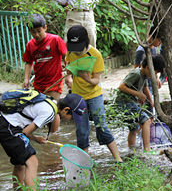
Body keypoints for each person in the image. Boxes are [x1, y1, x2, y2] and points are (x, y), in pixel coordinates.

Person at [0, 93, 86, 191]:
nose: (71, 120)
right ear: (65, 110)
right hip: (10, 129)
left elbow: (28, 130)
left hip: (5, 125)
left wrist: (36, 138)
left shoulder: (50, 102)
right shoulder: (50, 112)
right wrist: (35, 138)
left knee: (20, 163)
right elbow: (26, 132)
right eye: (72, 117)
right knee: (32, 161)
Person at [65, 25, 123, 163]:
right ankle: (84, 163)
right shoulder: (70, 52)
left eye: (80, 48)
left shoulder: (95, 55)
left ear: (87, 43)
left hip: (94, 95)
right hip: (78, 97)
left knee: (101, 125)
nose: (77, 52)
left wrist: (86, 79)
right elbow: (69, 68)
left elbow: (96, 80)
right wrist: (68, 77)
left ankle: (118, 158)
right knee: (81, 130)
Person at [116, 54, 165, 154]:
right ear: (148, 68)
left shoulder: (145, 75)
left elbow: (145, 87)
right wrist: (138, 94)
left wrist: (150, 100)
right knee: (146, 121)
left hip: (130, 102)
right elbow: (121, 86)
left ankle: (131, 150)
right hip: (124, 102)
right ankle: (147, 149)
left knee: (134, 129)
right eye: (155, 72)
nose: (156, 75)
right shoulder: (136, 73)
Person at [22, 13, 67, 101]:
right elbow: (28, 62)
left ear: (45, 28)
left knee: (52, 108)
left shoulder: (55, 40)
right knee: (41, 109)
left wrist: (69, 76)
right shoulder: (30, 45)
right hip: (39, 83)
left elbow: (67, 56)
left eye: (39, 31)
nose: (37, 35)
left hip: (54, 82)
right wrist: (26, 79)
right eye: (33, 32)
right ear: (29, 31)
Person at [134, 25, 163, 114]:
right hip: (144, 87)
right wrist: (140, 91)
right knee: (149, 112)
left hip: (151, 84)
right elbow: (137, 70)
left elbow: (155, 66)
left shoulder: (153, 48)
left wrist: (157, 77)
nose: (160, 43)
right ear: (150, 36)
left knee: (152, 110)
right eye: (158, 40)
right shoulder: (141, 51)